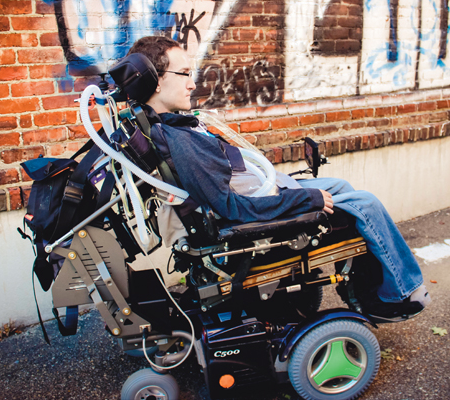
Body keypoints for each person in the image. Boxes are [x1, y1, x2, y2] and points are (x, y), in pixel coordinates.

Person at [119, 35, 431, 321]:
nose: (192, 84)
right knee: (366, 204)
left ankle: (361, 290)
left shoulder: (169, 126)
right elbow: (231, 208)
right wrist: (305, 198)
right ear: (155, 81)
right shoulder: (180, 142)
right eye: (185, 73)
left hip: (262, 192)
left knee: (342, 188)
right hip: (253, 212)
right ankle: (398, 295)